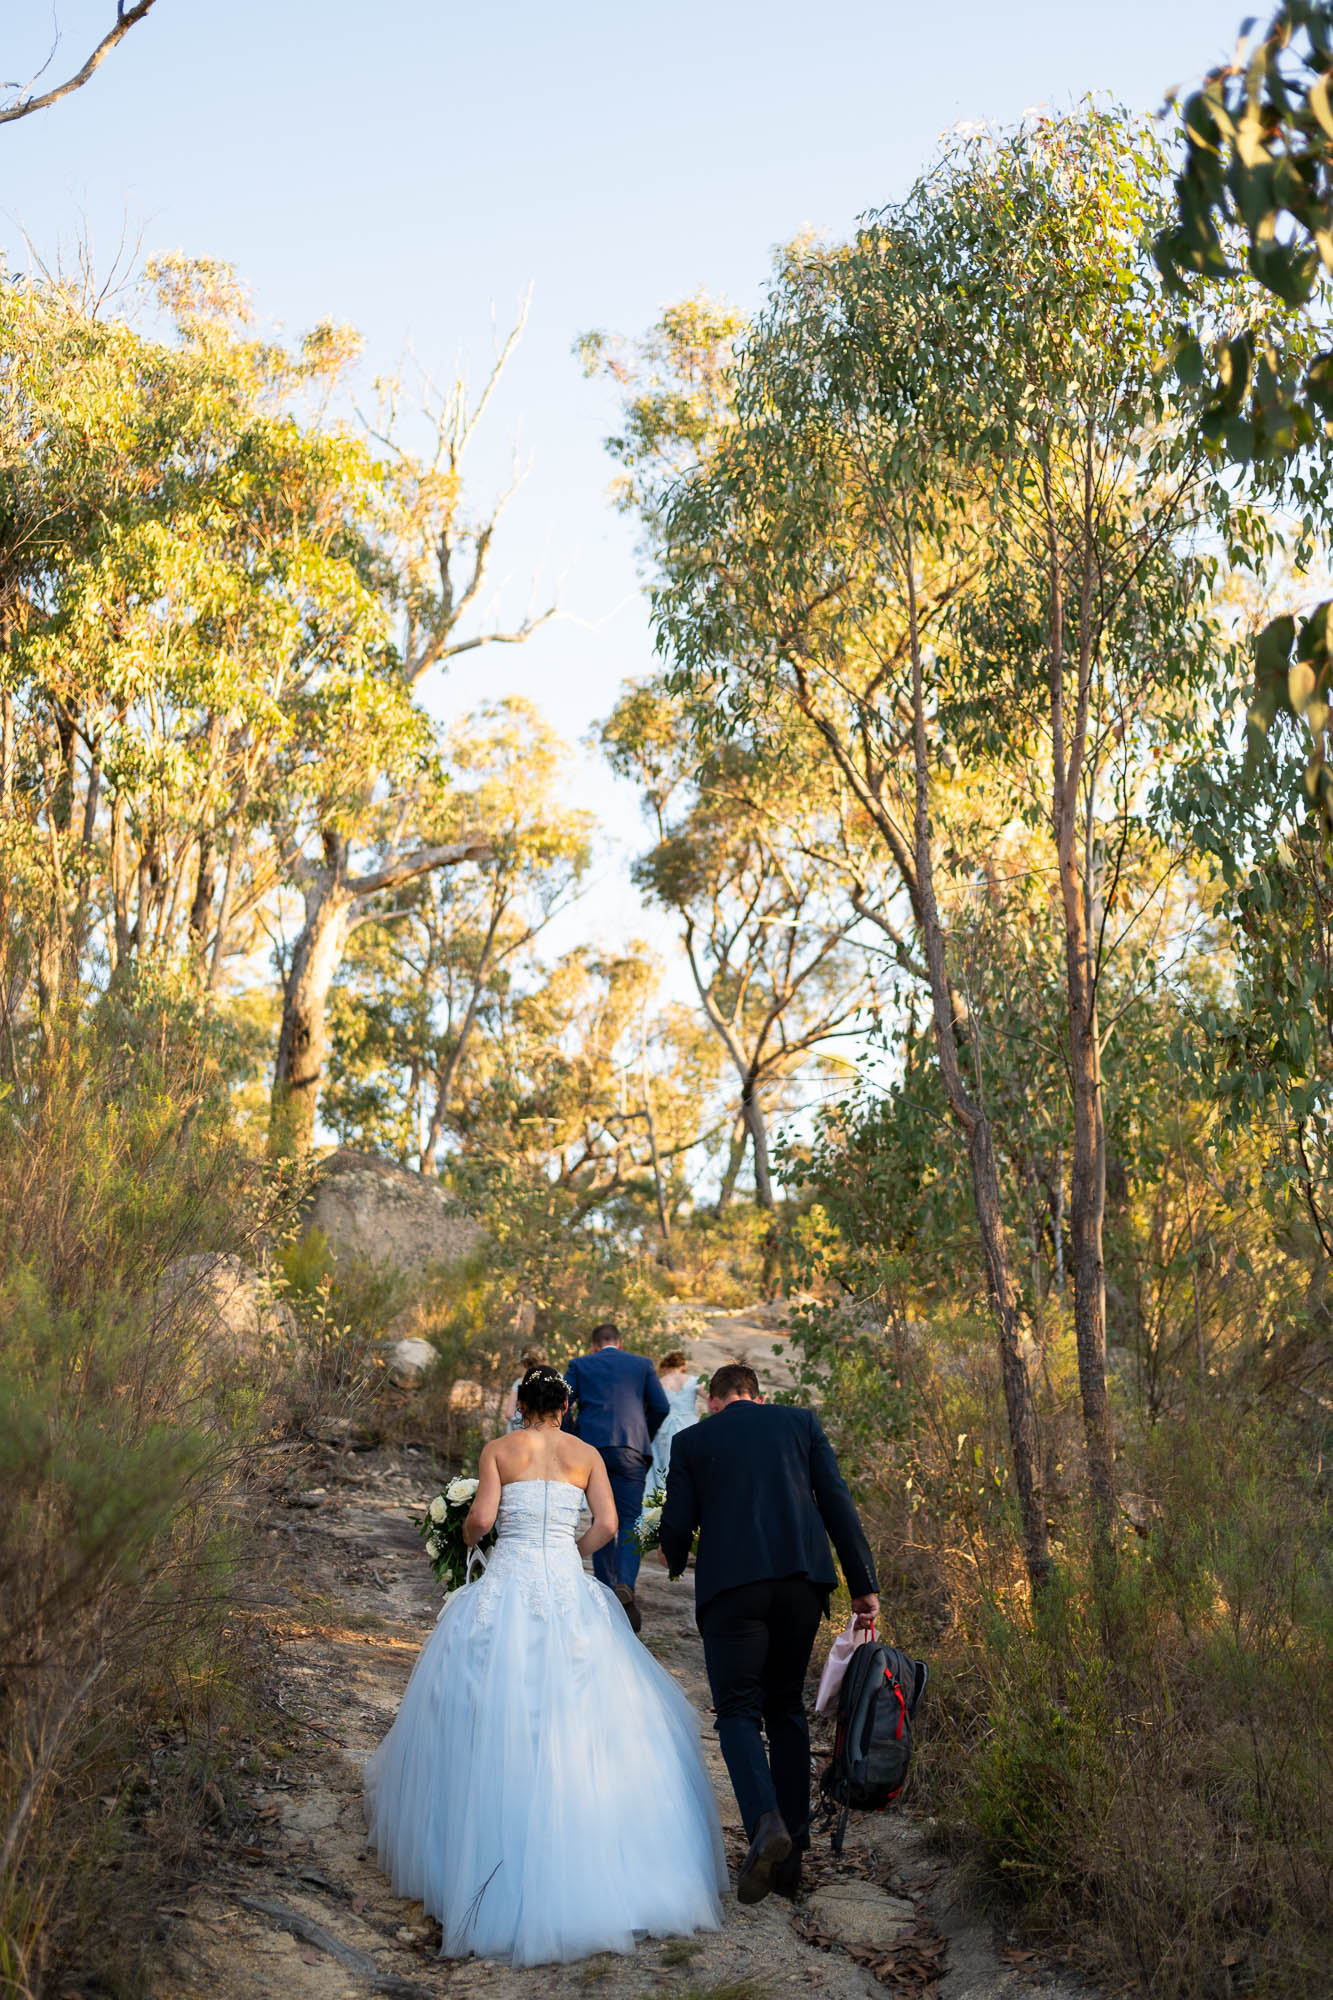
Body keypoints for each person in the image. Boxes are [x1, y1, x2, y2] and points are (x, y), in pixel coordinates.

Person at [365, 1365, 726, 1967]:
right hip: (564, 1581)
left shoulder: (500, 1450)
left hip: (507, 1583)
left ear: (521, 1405)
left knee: (486, 1697)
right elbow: (609, 1526)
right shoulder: (586, 1454)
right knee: (586, 1705)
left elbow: (481, 1519)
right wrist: (570, 1551)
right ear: (565, 1406)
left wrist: (473, 1542)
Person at [658, 1362, 884, 1907]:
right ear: (759, 1397)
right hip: (802, 1583)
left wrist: (671, 1551)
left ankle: (765, 1825)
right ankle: (794, 1855)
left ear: (714, 1400)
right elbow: (837, 1505)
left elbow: (677, 1530)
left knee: (737, 1710)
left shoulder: (691, 1441)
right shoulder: (801, 1424)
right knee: (785, 1707)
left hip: (732, 1590)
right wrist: (863, 1585)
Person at [562, 1322, 668, 1633]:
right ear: (619, 1343)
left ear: (594, 1345)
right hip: (632, 1449)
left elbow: (562, 1403)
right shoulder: (642, 1365)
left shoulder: (580, 1365)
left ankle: (607, 1589)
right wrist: (641, 1433)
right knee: (631, 1519)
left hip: (592, 1449)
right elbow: (661, 1406)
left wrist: (573, 1435)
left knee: (601, 1519)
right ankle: (625, 1583)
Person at [645, 1348, 703, 1497]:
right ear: (683, 1365)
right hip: (688, 1424)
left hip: (664, 1427)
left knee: (664, 1465)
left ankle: (664, 1498)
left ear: (664, 1366)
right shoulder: (694, 1380)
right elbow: (710, 1397)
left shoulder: (659, 1382)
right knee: (689, 1464)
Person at [500, 1347, 547, 1432]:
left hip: (519, 1432)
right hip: (545, 1431)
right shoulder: (554, 1380)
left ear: (524, 1363)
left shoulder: (519, 1382)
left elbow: (509, 1413)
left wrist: (523, 1424)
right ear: (544, 1360)